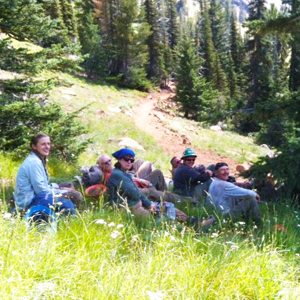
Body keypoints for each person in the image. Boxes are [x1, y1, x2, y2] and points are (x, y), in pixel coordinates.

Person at [107, 148, 215, 226]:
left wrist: (149, 204)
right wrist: (149, 205)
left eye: (132, 160)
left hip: (137, 205)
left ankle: (193, 221)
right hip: (130, 209)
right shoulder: (117, 174)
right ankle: (189, 229)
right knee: (163, 219)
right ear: (119, 160)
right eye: (126, 159)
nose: (129, 162)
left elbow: (136, 192)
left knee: (169, 206)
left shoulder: (124, 173)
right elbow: (135, 193)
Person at [14, 133, 79, 215]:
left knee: (68, 185)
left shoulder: (37, 159)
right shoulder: (34, 163)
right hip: (29, 202)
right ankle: (70, 219)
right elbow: (41, 191)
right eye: (43, 144)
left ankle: (68, 214)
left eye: (48, 143)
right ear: (34, 146)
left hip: (38, 196)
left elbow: (43, 186)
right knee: (71, 199)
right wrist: (62, 191)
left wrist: (59, 187)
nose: (47, 147)